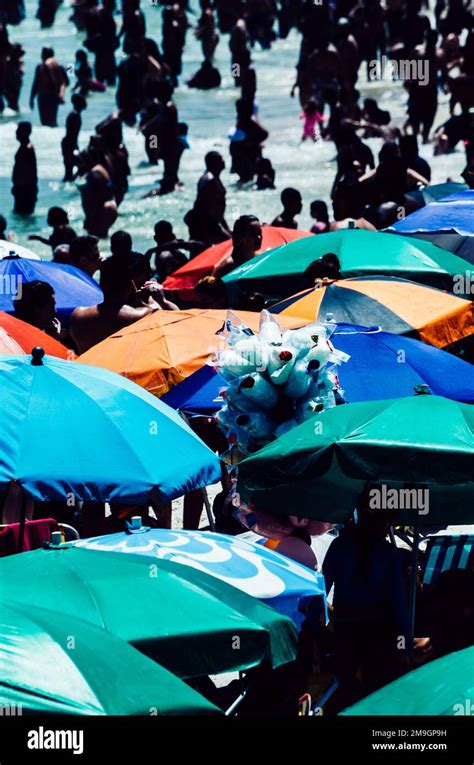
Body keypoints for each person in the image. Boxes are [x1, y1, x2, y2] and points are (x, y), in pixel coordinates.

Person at [322, 490, 410, 710]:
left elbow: (319, 591)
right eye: (387, 520)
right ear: (380, 519)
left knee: (343, 688)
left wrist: (327, 620)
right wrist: (405, 644)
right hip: (379, 632)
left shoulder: (339, 547)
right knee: (377, 692)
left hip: (345, 628)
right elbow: (398, 604)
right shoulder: (389, 553)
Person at [69, 259, 178, 353]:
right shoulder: (141, 315)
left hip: (91, 375)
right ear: (132, 285)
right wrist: (162, 301)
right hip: (122, 377)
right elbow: (177, 324)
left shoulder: (78, 315)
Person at [184, 151, 230, 246]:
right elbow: (206, 205)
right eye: (221, 159)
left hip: (211, 223)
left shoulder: (213, 177)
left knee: (229, 240)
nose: (224, 161)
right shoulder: (209, 180)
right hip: (204, 224)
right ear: (214, 163)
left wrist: (226, 227)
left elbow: (218, 208)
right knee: (228, 243)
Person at [30, 47, 69, 127]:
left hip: (43, 97)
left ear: (42, 55)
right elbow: (66, 82)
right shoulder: (59, 67)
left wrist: (31, 98)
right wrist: (61, 93)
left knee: (45, 122)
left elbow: (35, 84)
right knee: (52, 121)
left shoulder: (39, 67)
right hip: (52, 96)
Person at [11, 121, 37, 216]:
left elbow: (32, 171)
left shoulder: (27, 148)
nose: (16, 132)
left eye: (19, 130)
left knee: (23, 215)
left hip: (25, 189)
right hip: (21, 188)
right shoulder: (23, 147)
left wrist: (29, 190)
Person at [62, 94, 87, 182]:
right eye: (83, 100)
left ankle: (71, 182)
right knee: (80, 167)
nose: (86, 102)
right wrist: (74, 148)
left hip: (70, 144)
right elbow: (71, 134)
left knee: (73, 169)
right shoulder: (74, 115)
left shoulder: (75, 114)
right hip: (70, 144)